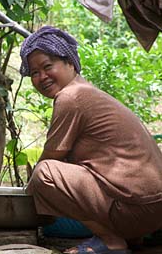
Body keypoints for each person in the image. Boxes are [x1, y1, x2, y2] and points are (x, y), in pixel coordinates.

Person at [20, 26, 162, 254]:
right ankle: (132, 237)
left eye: (47, 66)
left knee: (44, 173)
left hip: (137, 209)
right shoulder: (88, 92)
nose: (41, 77)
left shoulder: (71, 97)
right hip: (152, 209)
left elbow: (51, 157)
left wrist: (24, 197)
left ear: (70, 63)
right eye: (34, 72)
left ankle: (111, 240)